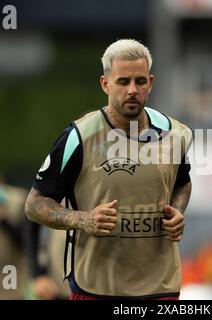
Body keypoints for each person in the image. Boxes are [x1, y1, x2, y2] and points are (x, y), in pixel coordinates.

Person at [25, 39, 193, 300]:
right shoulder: (78, 137)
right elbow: (34, 205)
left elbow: (182, 182)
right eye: (123, 82)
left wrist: (178, 211)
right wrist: (83, 219)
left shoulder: (175, 134)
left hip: (161, 286)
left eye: (139, 81)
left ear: (151, 82)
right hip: (96, 288)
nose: (132, 90)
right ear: (105, 84)